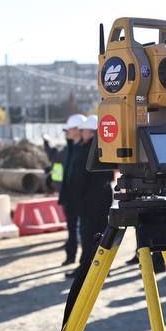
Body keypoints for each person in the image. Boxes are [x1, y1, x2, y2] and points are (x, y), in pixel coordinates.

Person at [68, 114, 114, 280]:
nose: (83, 133)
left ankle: (86, 268)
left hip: (89, 200)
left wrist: (75, 197)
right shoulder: (106, 149)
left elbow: (80, 178)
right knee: (102, 234)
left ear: (92, 132)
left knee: (89, 236)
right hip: (102, 197)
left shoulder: (87, 150)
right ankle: (103, 268)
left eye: (85, 130)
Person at [55, 114, 88, 266]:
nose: (66, 132)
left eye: (69, 129)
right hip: (69, 197)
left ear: (77, 129)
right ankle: (70, 256)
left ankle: (84, 260)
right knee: (71, 228)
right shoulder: (70, 147)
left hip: (81, 198)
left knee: (84, 231)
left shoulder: (84, 150)